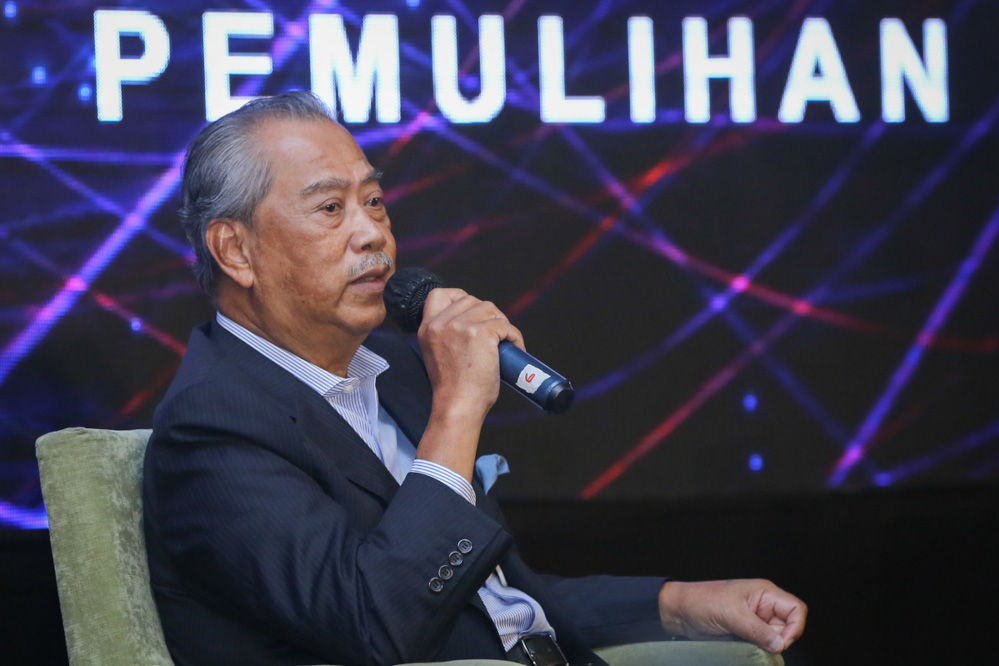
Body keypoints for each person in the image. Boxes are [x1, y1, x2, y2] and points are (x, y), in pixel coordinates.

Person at [143, 91, 806, 666]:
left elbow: (491, 596)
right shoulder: (214, 424)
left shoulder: (395, 372)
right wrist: (458, 406)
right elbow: (377, 623)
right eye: (330, 209)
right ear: (235, 250)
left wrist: (683, 605)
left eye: (375, 201)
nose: (373, 233)